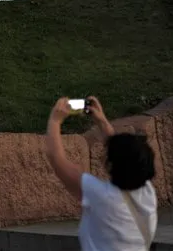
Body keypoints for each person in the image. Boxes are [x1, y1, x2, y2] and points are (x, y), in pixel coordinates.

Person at [45, 96, 157, 251]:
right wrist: (101, 120)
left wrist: (55, 120)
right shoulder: (148, 193)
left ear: (111, 164)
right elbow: (124, 154)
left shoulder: (102, 196)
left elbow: (56, 159)